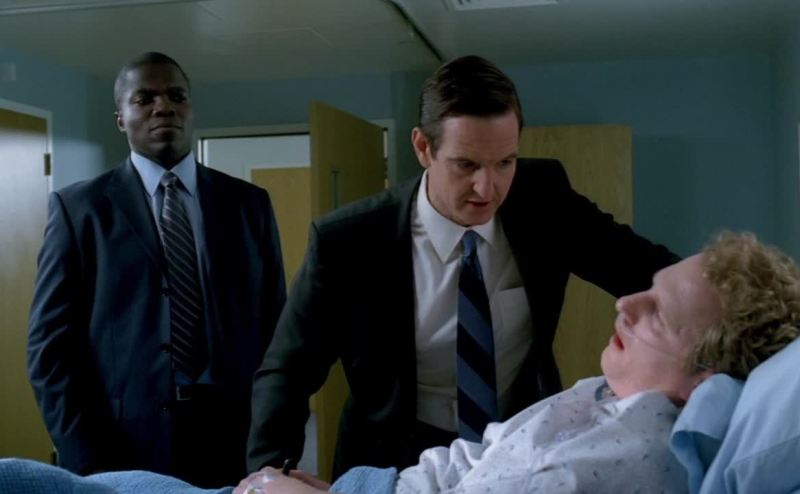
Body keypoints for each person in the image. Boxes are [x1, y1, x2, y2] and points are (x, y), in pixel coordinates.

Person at [246, 54, 679, 478]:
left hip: (518, 448)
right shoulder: (350, 241)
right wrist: (269, 476)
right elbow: (289, 369)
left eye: (505, 163)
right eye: (466, 165)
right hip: (392, 456)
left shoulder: (543, 198)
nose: (487, 188)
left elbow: (647, 271)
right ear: (423, 147)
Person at [232, 231, 800, 493]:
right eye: (645, 289)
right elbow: (489, 452)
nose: (624, 303)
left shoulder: (629, 454)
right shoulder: (604, 393)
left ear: (704, 380)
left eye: (658, 314)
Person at [27, 52, 287, 488]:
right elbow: (50, 350)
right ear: (120, 118)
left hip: (234, 439)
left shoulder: (247, 204)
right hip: (121, 446)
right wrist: (85, 460)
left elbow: (277, 332)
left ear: (190, 108)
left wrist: (274, 442)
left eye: (176, 96)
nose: (163, 107)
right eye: (144, 99)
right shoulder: (81, 210)